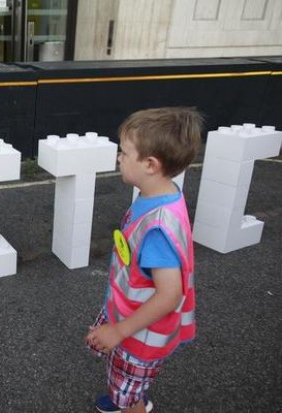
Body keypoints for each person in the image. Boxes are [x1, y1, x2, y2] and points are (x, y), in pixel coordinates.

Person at [85, 107, 202, 413]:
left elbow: (170, 294)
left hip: (138, 335)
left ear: (150, 164)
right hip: (129, 311)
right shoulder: (161, 193)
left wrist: (118, 331)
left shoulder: (158, 229)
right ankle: (126, 394)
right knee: (123, 381)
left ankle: (132, 404)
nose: (118, 158)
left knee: (128, 389)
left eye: (124, 153)